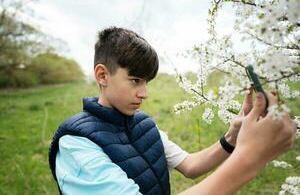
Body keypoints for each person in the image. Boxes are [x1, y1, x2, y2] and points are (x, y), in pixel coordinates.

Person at [48, 27, 297, 195]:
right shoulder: (75, 145)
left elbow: (190, 165)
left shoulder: (143, 123)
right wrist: (251, 157)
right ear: (102, 75)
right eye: (135, 80)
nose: (144, 93)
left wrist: (233, 137)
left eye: (147, 81)